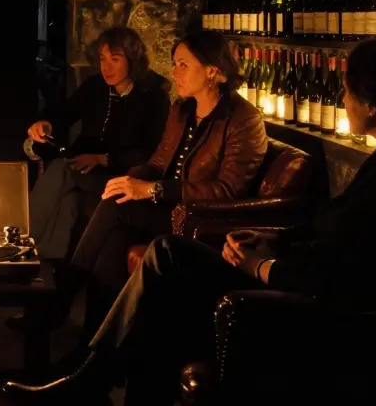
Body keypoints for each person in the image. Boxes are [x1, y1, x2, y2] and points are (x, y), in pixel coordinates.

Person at [3, 35, 376, 406]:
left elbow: (351, 278)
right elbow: (333, 229)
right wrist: (272, 236)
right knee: (159, 320)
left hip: (320, 319)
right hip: (301, 288)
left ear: (372, 103)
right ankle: (93, 383)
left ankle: (87, 376)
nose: (341, 98)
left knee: (166, 258)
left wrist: (260, 267)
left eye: (347, 90)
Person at [35, 29, 266, 337]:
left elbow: (228, 190)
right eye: (174, 63)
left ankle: (60, 301)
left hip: (199, 221)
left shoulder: (243, 119)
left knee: (114, 206)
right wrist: (130, 179)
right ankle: (91, 351)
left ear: (213, 71)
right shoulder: (183, 110)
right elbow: (157, 163)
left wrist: (151, 189)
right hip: (167, 208)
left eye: (183, 64)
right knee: (114, 234)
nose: (173, 72)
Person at [24, 26, 169, 262]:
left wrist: (103, 159)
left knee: (63, 169)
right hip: (85, 167)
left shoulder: (153, 97)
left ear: (132, 60)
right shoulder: (95, 87)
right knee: (69, 203)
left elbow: (150, 151)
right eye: (102, 59)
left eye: (115, 59)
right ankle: (50, 265)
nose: (107, 67)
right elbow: (64, 114)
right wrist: (47, 124)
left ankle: (20, 238)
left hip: (120, 174)